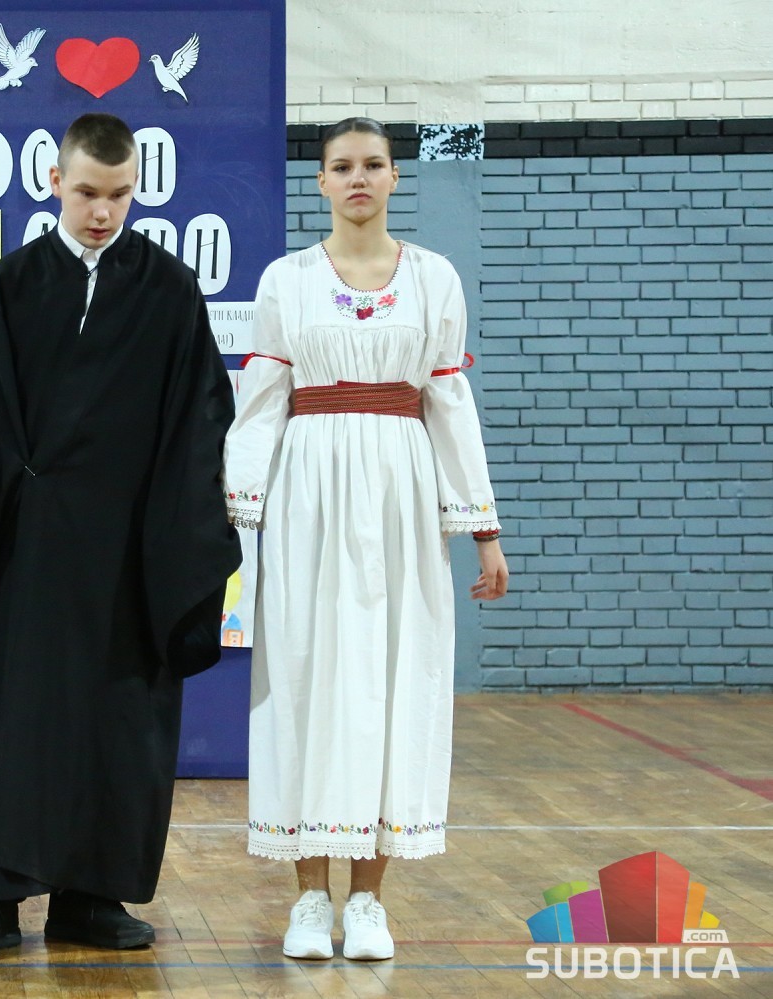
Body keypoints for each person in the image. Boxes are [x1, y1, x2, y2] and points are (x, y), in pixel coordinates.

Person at [0, 112, 241, 961]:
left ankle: (91, 896)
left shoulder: (169, 291)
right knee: (15, 720)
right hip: (25, 546)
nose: (102, 211)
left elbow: (199, 422)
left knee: (119, 720)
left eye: (120, 195)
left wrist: (184, 535)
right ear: (54, 180)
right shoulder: (8, 288)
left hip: (129, 548)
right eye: (87, 192)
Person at [224, 117, 509, 963]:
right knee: (304, 676)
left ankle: (370, 900)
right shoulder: (286, 280)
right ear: (320, 181)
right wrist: (236, 520)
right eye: (342, 166)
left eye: (373, 165)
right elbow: (260, 405)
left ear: (393, 177)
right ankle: (310, 895)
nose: (358, 178)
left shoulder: (433, 278)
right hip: (307, 495)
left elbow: (449, 404)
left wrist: (484, 530)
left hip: (401, 497)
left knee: (394, 678)